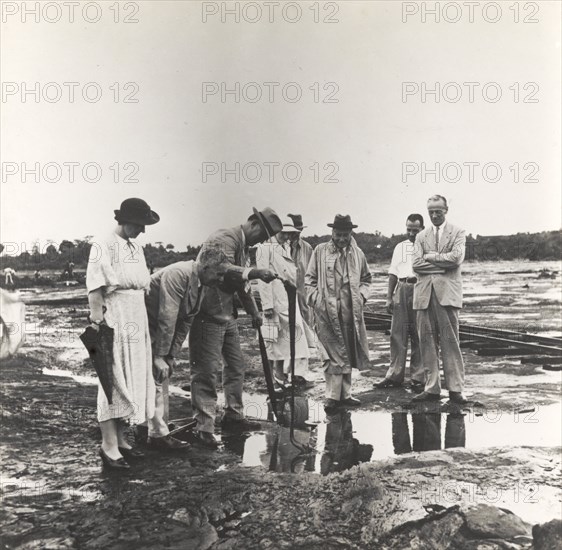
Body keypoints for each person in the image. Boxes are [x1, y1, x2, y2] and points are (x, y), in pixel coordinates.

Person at [189, 207, 282, 449]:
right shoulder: (224, 239)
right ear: (253, 224)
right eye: (262, 235)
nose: (262, 241)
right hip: (207, 314)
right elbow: (224, 270)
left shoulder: (243, 248)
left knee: (235, 366)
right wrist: (255, 272)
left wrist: (254, 312)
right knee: (206, 372)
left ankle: (234, 416)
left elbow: (243, 284)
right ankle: (204, 427)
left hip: (227, 315)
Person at [86, 197, 160, 469]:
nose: (142, 230)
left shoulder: (135, 247)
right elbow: (95, 287)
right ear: (125, 220)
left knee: (132, 376)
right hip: (114, 315)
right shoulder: (102, 244)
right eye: (138, 224)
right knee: (112, 377)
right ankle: (108, 445)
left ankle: (121, 439)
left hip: (135, 316)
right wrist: (98, 322)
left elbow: (142, 284)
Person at [305, 214, 372, 411]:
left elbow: (367, 278)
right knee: (331, 353)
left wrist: (361, 296)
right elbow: (309, 280)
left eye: (345, 235)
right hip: (326, 312)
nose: (342, 239)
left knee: (348, 351)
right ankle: (332, 396)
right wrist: (317, 300)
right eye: (338, 234)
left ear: (351, 233)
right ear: (332, 233)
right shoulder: (320, 251)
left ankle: (346, 394)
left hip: (350, 313)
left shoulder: (357, 253)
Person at [412, 195, 468, 404]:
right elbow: (416, 264)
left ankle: (455, 389)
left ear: (446, 210)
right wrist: (442, 265)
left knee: (450, 342)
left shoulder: (458, 232)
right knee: (426, 341)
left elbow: (456, 259)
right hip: (424, 295)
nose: (434, 215)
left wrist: (431, 256)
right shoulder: (420, 236)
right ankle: (431, 388)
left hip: (447, 296)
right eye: (431, 212)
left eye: (438, 211)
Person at [144, 261, 200, 451]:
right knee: (156, 376)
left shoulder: (202, 283)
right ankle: (158, 434)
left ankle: (151, 427)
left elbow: (186, 322)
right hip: (144, 320)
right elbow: (167, 317)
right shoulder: (179, 274)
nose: (220, 280)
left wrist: (171, 355)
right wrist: (160, 355)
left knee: (160, 375)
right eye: (218, 275)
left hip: (156, 326)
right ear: (208, 267)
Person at [255, 218, 312, 389]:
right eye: (283, 232)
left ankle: (284, 377)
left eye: (289, 232)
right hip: (274, 303)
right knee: (274, 341)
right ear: (274, 231)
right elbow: (262, 278)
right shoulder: (264, 249)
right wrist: (267, 306)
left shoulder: (285, 247)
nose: (286, 236)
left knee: (291, 340)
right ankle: (277, 380)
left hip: (288, 299)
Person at [374, 214, 425, 392]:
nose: (411, 233)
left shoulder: (428, 246)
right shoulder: (400, 247)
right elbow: (393, 272)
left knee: (419, 334)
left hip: (420, 288)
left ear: (422, 229)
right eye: (408, 229)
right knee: (398, 333)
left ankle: (418, 378)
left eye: (415, 230)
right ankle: (395, 376)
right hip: (402, 288)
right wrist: (389, 297)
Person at [286, 213, 315, 348]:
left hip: (302, 292)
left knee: (305, 316)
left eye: (299, 230)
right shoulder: (280, 247)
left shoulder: (307, 248)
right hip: (285, 292)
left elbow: (312, 273)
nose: (296, 234)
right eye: (293, 231)